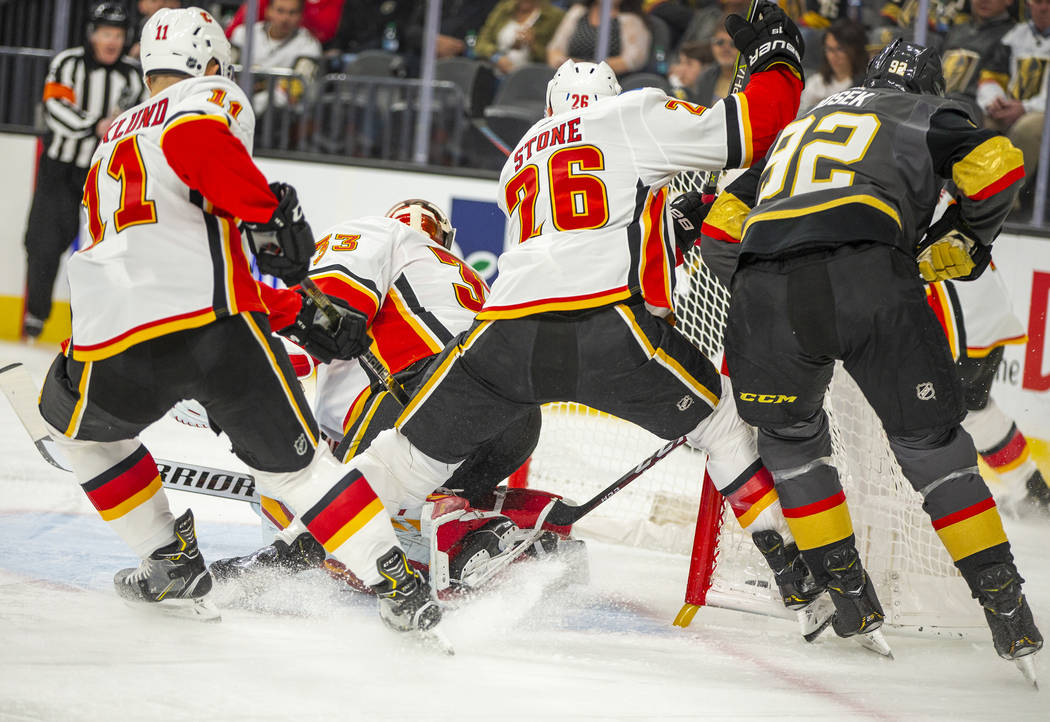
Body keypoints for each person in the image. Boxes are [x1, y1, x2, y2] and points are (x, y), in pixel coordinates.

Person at [314, 2, 824, 623]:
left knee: (406, 458)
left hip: (500, 340)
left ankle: (318, 543)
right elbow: (754, 128)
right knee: (721, 425)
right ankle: (801, 580)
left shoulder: (517, 160)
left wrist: (677, 220)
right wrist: (778, 53)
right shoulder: (632, 114)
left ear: (550, 107)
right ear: (614, 93)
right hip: (605, 328)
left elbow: (581, 231)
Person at [35, 6, 443, 636]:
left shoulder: (113, 135)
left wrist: (293, 307)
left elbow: (171, 252)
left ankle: (166, 558)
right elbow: (196, 144)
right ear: (209, 61)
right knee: (301, 472)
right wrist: (266, 209)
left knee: (81, 435)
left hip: (111, 335)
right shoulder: (206, 97)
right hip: (217, 330)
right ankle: (398, 583)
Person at [703, 39, 1042, 670]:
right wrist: (964, 238)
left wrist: (761, 287)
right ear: (927, 86)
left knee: (790, 442)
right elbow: (998, 163)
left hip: (766, 290)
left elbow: (721, 226)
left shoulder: (805, 122)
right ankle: (1006, 608)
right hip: (867, 274)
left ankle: (848, 596)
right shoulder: (923, 113)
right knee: (930, 445)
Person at [207, 200, 543, 579]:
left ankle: (284, 560)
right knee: (415, 480)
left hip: (421, 402)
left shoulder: (377, 233)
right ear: (445, 239)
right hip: (519, 421)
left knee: (318, 488)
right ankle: (457, 527)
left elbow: (321, 324)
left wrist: (235, 382)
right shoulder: (476, 281)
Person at [21, 1, 144, 340]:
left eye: (118, 34)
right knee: (43, 243)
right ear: (92, 34)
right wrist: (95, 126)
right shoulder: (68, 63)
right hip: (60, 169)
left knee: (107, 253)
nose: (112, 41)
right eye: (106, 33)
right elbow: (54, 109)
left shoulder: (134, 74)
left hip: (105, 176)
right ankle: (36, 317)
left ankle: (100, 329)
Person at [977, 0, 1050, 211]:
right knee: (982, 124)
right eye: (1038, 2)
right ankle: (977, 194)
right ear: (1029, 4)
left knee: (1027, 130)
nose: (1043, 8)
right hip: (1013, 109)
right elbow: (991, 77)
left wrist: (1025, 108)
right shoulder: (1014, 36)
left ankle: (1006, 200)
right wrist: (995, 101)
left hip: (1041, 113)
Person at [229, 0, 323, 112]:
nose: (285, 18)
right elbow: (226, 70)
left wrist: (260, 84)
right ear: (269, 11)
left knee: (273, 99)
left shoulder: (309, 45)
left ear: (301, 15)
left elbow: (296, 87)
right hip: (239, 97)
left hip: (283, 113)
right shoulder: (243, 34)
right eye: (280, 11)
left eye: (292, 13)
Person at [932, 0, 1016, 119]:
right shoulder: (956, 30)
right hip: (938, 100)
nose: (984, 1)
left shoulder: (1013, 36)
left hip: (973, 107)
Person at [546, 0, 652, 76]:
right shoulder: (578, 12)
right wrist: (564, 63)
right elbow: (555, 48)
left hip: (611, 81)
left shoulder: (631, 21)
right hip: (571, 76)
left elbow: (633, 60)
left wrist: (589, 67)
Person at [797, 18, 869, 113]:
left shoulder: (866, 83)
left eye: (840, 49)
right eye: (829, 49)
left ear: (855, 50)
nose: (833, 56)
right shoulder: (817, 82)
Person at [476, 0, 566, 75]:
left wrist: (532, 45)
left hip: (530, 75)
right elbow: (481, 42)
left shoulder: (555, 16)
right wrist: (496, 57)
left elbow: (554, 57)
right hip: (494, 70)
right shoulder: (504, 8)